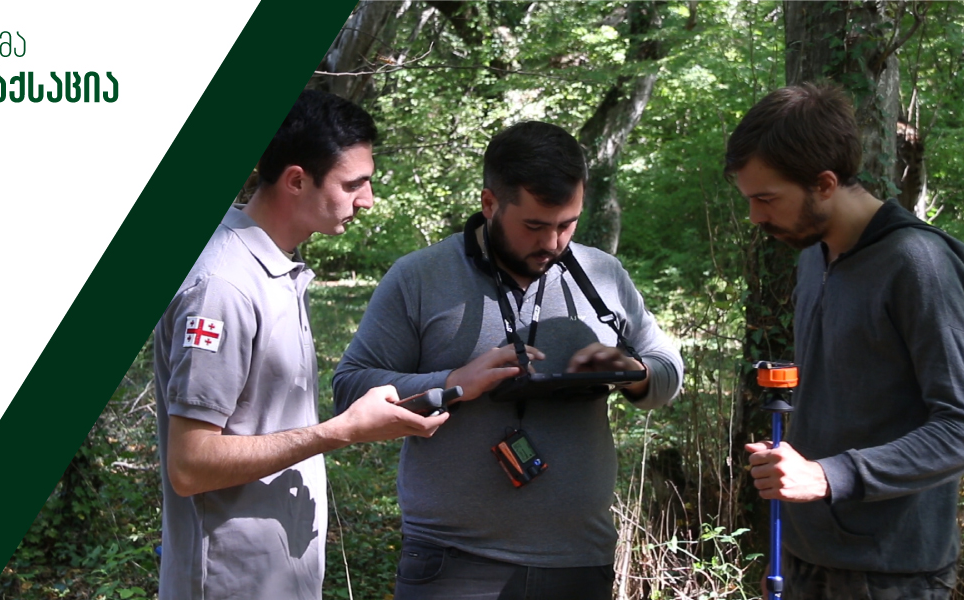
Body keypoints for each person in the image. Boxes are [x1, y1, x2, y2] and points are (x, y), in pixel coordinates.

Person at [153, 90, 518, 600]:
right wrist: (341, 431)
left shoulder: (274, 268)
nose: (367, 200)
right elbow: (190, 465)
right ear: (296, 180)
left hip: (278, 580)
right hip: (229, 583)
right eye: (353, 184)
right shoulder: (224, 286)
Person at [333, 121, 684, 600]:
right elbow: (350, 388)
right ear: (489, 203)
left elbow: (668, 370)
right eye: (535, 226)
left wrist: (634, 373)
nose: (554, 243)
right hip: (452, 559)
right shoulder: (419, 277)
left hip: (579, 559)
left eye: (567, 224)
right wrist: (453, 382)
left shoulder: (603, 275)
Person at [731, 83, 964, 599]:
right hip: (804, 556)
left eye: (766, 199)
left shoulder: (918, 264)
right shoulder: (812, 258)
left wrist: (827, 475)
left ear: (825, 183)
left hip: (891, 573)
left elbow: (958, 425)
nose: (756, 217)